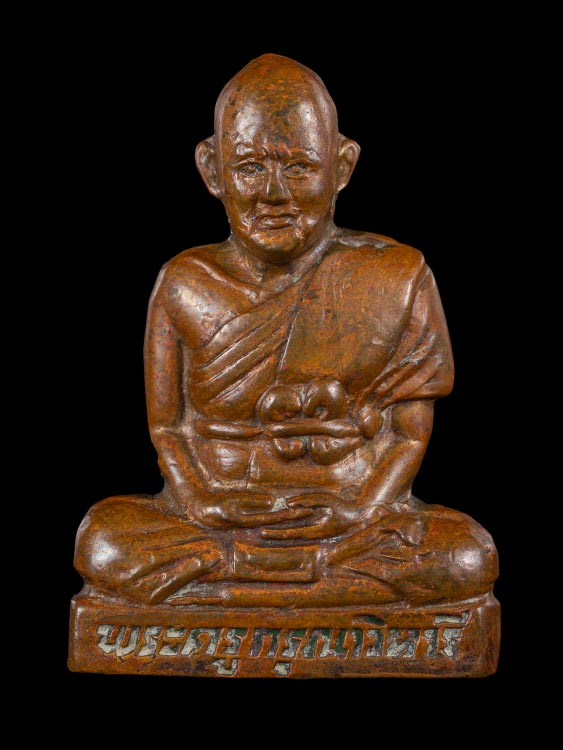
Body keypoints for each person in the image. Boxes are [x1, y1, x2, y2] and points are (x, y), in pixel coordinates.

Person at [75, 54, 497, 608]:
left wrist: (364, 505)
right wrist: (201, 502)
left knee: (464, 555)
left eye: (299, 167)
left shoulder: (395, 276)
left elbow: (407, 434)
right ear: (212, 170)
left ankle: (234, 585)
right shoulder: (185, 282)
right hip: (218, 518)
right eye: (250, 167)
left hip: (348, 519)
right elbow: (169, 427)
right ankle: (311, 585)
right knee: (105, 541)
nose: (274, 193)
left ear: (341, 167)